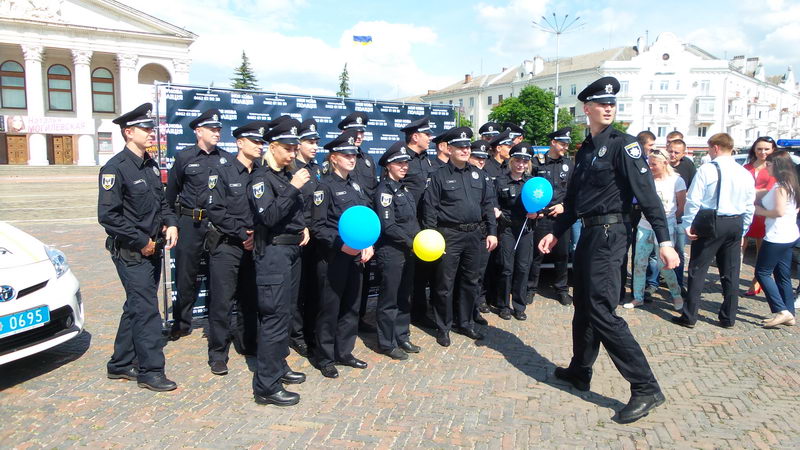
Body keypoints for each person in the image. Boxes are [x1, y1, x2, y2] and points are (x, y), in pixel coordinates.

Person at [538, 77, 679, 424]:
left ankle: (645, 387)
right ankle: (580, 369)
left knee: (601, 310)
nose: (608, 108)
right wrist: (556, 233)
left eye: (612, 103)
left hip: (611, 234)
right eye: (602, 103)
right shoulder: (585, 150)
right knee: (583, 306)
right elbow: (574, 201)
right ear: (587, 109)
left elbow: (647, 195)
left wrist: (664, 241)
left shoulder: (624, 145)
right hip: (588, 234)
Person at [99, 103, 179, 391]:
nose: (150, 133)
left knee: (135, 305)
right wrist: (141, 241)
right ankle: (151, 371)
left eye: (151, 129)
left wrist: (171, 223)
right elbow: (108, 216)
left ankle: (120, 363)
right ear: (128, 132)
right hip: (131, 251)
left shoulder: (150, 165)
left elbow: (162, 202)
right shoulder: (115, 168)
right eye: (145, 129)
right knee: (146, 310)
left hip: (152, 249)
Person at [248, 119, 310, 406]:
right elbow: (270, 216)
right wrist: (294, 187)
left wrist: (302, 226)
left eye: (295, 148)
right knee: (273, 316)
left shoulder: (286, 176)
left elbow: (293, 212)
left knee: (285, 314)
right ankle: (266, 386)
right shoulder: (261, 179)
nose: (292, 154)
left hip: (291, 251)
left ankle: (278, 365)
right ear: (272, 147)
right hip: (273, 253)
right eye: (287, 148)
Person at [422, 127, 497, 347]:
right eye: (460, 147)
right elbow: (430, 209)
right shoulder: (438, 176)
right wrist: (433, 238)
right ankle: (443, 327)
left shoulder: (478, 174)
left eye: (467, 147)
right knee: (444, 284)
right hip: (449, 235)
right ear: (449, 149)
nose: (465, 150)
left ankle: (465, 323)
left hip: (474, 235)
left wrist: (492, 232)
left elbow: (488, 205)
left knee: (470, 281)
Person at [674, 133, 755, 329]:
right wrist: (744, 229)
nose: (709, 152)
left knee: (698, 269)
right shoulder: (744, 172)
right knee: (731, 271)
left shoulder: (707, 169)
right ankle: (728, 317)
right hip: (736, 222)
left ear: (716, 148)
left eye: (710, 148)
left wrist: (688, 223)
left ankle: (690, 316)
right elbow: (749, 204)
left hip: (712, 221)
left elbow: (694, 199)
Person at [312, 129, 374, 378]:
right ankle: (325, 357)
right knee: (329, 309)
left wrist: (368, 243)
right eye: (346, 155)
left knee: (351, 306)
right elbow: (318, 227)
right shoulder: (324, 186)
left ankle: (344, 352)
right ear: (334, 158)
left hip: (356, 256)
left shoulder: (356, 186)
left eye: (354, 155)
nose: (352, 159)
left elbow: (365, 220)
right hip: (333, 257)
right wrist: (341, 245)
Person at [203, 122, 264, 376]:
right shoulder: (222, 171)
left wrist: (256, 235)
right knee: (222, 302)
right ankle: (218, 353)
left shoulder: (262, 173)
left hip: (255, 246)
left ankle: (249, 344)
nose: (259, 146)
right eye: (255, 142)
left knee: (251, 300)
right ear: (240, 143)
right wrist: (242, 234)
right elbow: (215, 210)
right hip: (227, 246)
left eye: (261, 142)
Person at [166, 108, 230, 340]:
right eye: (212, 129)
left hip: (218, 225)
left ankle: (217, 325)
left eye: (218, 129)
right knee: (185, 276)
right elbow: (170, 195)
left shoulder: (227, 159)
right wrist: (171, 223)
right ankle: (182, 323)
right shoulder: (184, 157)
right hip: (190, 223)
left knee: (220, 276)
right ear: (198, 131)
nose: (217, 133)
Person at [373, 142, 422, 360]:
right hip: (392, 252)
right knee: (389, 298)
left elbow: (412, 221)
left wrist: (418, 240)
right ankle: (387, 342)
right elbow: (388, 226)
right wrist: (412, 242)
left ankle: (402, 335)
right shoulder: (384, 191)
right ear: (388, 166)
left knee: (404, 296)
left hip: (408, 250)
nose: (404, 167)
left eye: (406, 163)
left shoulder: (404, 189)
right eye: (399, 163)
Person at [624, 149, 686, 310]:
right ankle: (638, 297)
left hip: (666, 227)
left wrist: (669, 221)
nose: (650, 167)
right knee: (639, 262)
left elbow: (681, 206)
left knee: (664, 264)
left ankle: (676, 294)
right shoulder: (647, 179)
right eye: (649, 164)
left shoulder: (677, 181)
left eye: (654, 164)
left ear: (665, 163)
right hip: (644, 225)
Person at [337, 111, 378, 333]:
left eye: (362, 131)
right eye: (355, 131)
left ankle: (359, 317)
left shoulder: (368, 160)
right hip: (344, 231)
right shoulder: (335, 159)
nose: (359, 135)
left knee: (362, 277)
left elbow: (371, 195)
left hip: (365, 228)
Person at [753, 151, 799, 327]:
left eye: (769, 164)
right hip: (789, 234)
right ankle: (790, 314)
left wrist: (759, 211)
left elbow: (779, 211)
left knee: (762, 272)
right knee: (782, 274)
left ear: (777, 166)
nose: (766, 167)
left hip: (777, 236)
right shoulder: (791, 184)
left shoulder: (781, 187)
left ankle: (781, 311)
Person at [529, 127, 574, 306]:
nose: (566, 147)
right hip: (541, 216)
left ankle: (561, 289)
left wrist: (564, 206)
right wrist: (535, 208)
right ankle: (530, 288)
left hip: (561, 216)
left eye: (567, 144)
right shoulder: (537, 163)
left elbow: (573, 192)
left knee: (562, 254)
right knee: (537, 254)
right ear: (553, 142)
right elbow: (529, 188)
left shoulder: (569, 164)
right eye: (562, 144)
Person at [291, 118, 323, 358]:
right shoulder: (291, 169)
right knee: (297, 289)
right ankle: (296, 335)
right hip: (299, 236)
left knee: (313, 287)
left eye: (316, 142)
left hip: (316, 236)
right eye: (309, 142)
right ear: (298, 143)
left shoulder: (317, 169)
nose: (314, 147)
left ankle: (310, 331)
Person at [495, 142, 537, 320]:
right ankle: (503, 305)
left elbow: (541, 203)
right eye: (518, 160)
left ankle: (519, 305)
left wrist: (537, 213)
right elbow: (493, 202)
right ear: (511, 161)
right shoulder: (501, 180)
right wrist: (496, 211)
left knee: (522, 267)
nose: (521, 164)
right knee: (506, 268)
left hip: (526, 229)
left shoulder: (532, 183)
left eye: (525, 161)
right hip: (507, 228)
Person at [743, 136, 778, 296]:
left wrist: (749, 193)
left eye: (766, 149)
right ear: (754, 149)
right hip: (746, 211)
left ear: (773, 150)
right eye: (759, 149)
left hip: (763, 212)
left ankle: (757, 280)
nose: (763, 152)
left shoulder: (774, 168)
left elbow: (770, 190)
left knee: (761, 249)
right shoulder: (746, 167)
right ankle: (733, 276)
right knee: (739, 246)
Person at [464, 140, 493, 325]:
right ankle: (462, 313)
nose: (481, 161)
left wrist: (492, 231)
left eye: (484, 158)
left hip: (482, 232)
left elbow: (490, 204)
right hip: (467, 232)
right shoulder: (463, 176)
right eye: (477, 157)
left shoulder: (485, 177)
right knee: (465, 277)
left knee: (478, 275)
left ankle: (473, 310)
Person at [666, 138, 696, 292]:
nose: (672, 154)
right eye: (670, 151)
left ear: (683, 154)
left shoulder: (688, 166)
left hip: (679, 216)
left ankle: (678, 282)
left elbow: (692, 190)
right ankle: (654, 281)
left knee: (678, 249)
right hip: (663, 215)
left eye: (676, 152)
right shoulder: (662, 163)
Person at [398, 116, 434, 207]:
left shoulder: (426, 158)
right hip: (407, 212)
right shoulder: (400, 159)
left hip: (426, 211)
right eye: (427, 134)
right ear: (415, 137)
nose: (430, 138)